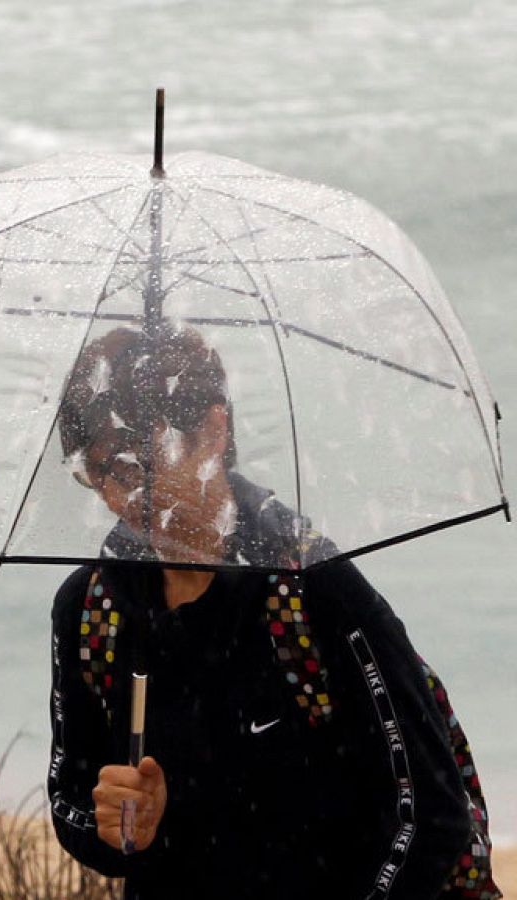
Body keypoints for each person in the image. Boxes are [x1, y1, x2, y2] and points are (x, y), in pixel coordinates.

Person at [46, 326, 486, 899]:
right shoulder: (90, 609)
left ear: (212, 430)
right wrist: (119, 823)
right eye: (96, 473)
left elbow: (430, 814)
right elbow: (70, 800)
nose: (115, 498)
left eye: (134, 468)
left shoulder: (311, 589)